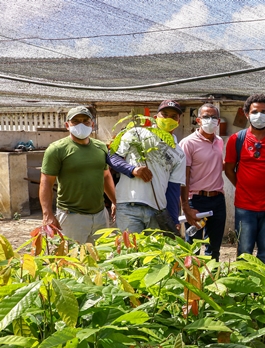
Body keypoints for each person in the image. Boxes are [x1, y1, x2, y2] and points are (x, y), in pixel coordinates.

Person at [224, 94, 265, 264]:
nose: (259, 115)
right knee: (244, 252)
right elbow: (228, 169)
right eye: (255, 111)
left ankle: (261, 290)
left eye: (263, 111)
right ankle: (243, 289)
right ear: (247, 114)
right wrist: (242, 185)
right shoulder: (236, 139)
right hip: (245, 207)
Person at [39, 106, 117, 243]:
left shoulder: (101, 147)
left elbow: (105, 176)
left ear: (92, 124)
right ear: (67, 125)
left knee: (101, 259)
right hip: (72, 217)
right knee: (70, 260)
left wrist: (115, 202)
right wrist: (47, 214)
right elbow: (46, 182)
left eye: (85, 121)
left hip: (100, 215)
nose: (81, 124)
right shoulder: (57, 149)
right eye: (75, 121)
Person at [113, 100, 186, 233]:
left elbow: (173, 189)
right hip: (129, 207)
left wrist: (173, 219)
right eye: (165, 114)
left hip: (158, 212)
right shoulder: (137, 134)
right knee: (130, 250)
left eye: (173, 117)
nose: (168, 119)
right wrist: (132, 170)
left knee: (154, 252)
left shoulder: (179, 153)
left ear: (178, 122)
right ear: (155, 118)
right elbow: (113, 157)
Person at [179, 103, 226, 261]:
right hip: (197, 201)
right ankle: (191, 282)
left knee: (214, 249)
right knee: (193, 246)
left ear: (218, 122)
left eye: (214, 117)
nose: (210, 120)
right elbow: (183, 177)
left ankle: (211, 282)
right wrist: (185, 206)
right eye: (206, 117)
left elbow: (217, 165)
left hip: (218, 200)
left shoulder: (219, 142)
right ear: (198, 120)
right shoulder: (188, 143)